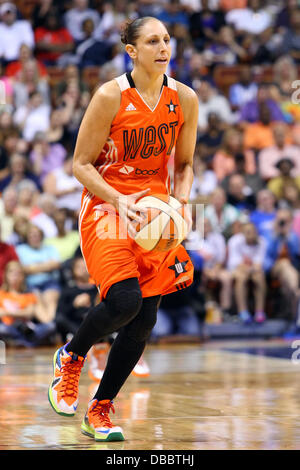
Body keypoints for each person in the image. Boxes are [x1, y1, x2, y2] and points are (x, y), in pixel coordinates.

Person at [48, 17, 198, 442]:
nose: (163, 46)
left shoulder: (185, 98)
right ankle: (72, 356)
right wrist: (120, 200)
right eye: (152, 40)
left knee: (145, 318)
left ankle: (100, 408)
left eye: (167, 39)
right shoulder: (110, 95)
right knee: (125, 301)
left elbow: (185, 165)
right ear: (131, 50)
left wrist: (180, 202)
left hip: (154, 213)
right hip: (107, 204)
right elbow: (80, 165)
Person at [227, 222, 267, 324]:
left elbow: (259, 263)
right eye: (247, 232)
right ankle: (243, 311)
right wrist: (248, 269)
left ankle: (259, 311)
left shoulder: (262, 242)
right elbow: (234, 262)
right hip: (236, 269)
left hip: (254, 270)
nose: (250, 234)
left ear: (256, 232)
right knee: (241, 277)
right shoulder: (234, 241)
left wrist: (252, 270)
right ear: (242, 233)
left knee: (259, 277)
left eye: (253, 231)